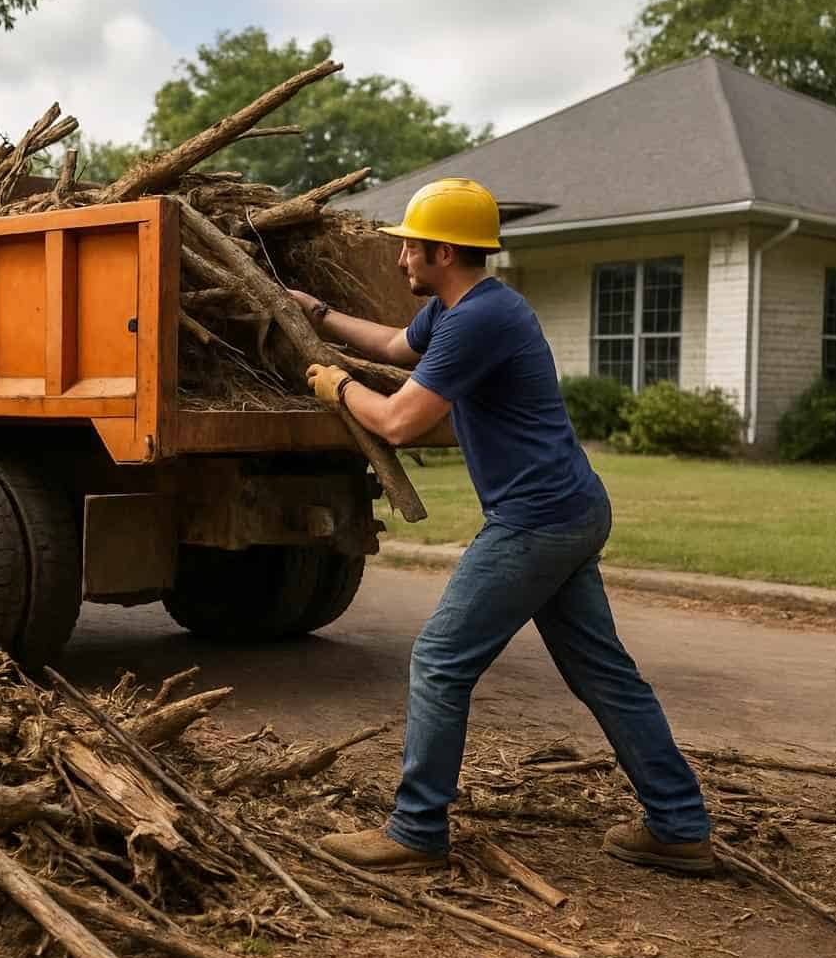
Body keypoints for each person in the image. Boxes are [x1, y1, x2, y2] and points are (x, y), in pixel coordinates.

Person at [290, 177, 713, 873]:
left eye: (410, 249)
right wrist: (323, 314)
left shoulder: (477, 321)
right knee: (603, 674)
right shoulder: (468, 308)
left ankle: (416, 830)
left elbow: (399, 420)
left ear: (445, 252)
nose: (400, 261)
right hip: (570, 508)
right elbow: (398, 346)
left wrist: (338, 387)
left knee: (439, 659)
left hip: (537, 520)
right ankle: (680, 825)